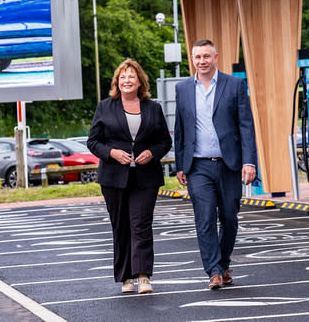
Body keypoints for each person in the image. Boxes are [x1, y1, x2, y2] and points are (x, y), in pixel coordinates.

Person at [174, 39, 257, 290]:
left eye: (206, 56)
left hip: (229, 164)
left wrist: (249, 161)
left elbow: (246, 125)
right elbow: (180, 129)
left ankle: (223, 262)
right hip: (198, 165)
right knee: (205, 218)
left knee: (230, 217)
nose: (202, 61)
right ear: (192, 59)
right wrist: (180, 165)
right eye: (197, 57)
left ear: (215, 57)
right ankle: (213, 271)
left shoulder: (234, 85)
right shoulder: (183, 88)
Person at [87, 59, 172, 295]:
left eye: (131, 76)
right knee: (121, 226)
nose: (127, 80)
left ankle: (143, 276)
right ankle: (126, 277)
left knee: (141, 224)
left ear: (140, 81)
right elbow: (93, 141)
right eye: (123, 77)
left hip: (145, 178)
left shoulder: (153, 108)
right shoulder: (105, 107)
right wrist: (111, 152)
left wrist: (152, 153)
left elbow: (165, 141)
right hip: (114, 178)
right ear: (117, 81)